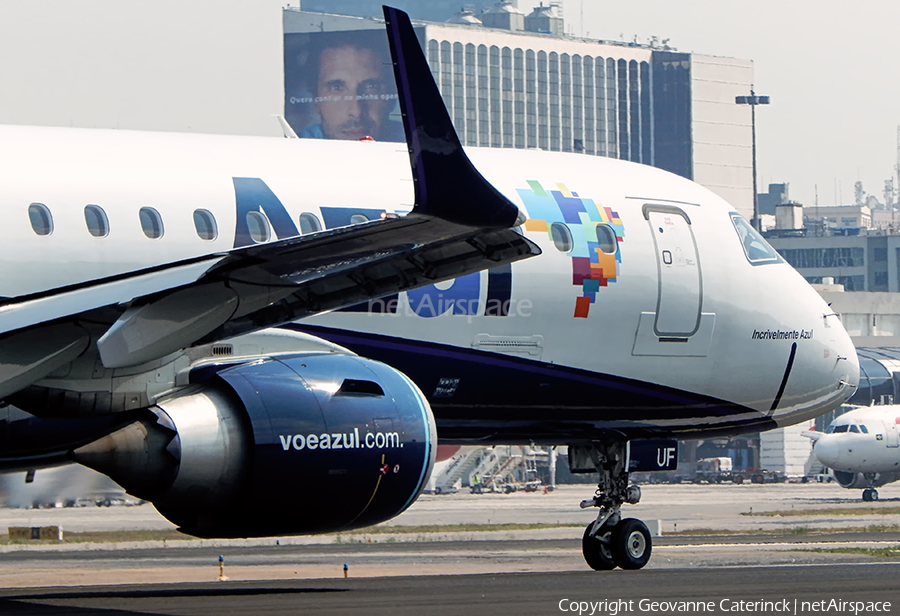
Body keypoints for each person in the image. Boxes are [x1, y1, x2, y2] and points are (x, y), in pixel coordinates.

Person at [299, 36, 404, 142]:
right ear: (315, 99)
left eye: (371, 87)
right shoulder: (295, 148)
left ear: (392, 97)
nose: (356, 112)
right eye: (337, 88)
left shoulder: (415, 141)